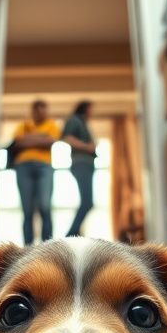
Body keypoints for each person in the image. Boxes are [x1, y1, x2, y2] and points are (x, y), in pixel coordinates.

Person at [12, 99, 60, 245]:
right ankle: (27, 247)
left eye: (43, 109)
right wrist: (41, 137)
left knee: (45, 206)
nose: (41, 112)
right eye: (38, 109)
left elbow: (50, 141)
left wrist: (29, 138)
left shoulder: (52, 125)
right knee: (27, 210)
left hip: (44, 167)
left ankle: (48, 246)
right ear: (33, 111)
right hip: (23, 166)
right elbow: (18, 142)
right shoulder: (23, 125)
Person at [61, 100, 98, 237]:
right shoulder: (74, 120)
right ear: (85, 108)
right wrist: (87, 147)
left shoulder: (83, 123)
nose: (92, 112)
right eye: (90, 109)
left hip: (87, 163)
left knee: (87, 202)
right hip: (81, 163)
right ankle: (71, 234)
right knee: (87, 202)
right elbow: (68, 138)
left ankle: (73, 233)